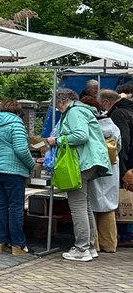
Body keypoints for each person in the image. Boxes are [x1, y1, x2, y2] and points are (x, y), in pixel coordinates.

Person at [46, 87, 110, 262]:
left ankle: (81, 248)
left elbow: (80, 136)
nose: (57, 108)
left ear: (62, 100)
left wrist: (56, 140)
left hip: (81, 162)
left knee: (78, 206)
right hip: (90, 162)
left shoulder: (74, 112)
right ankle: (89, 246)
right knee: (85, 204)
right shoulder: (82, 110)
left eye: (56, 105)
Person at [0, 99, 35, 256]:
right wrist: (31, 163)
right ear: (17, 111)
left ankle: (2, 242)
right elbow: (21, 150)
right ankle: (18, 245)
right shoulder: (16, 125)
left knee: (0, 205)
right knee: (15, 207)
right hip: (13, 170)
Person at [92, 93, 122, 253]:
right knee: (108, 207)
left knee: (91, 206)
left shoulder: (93, 130)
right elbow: (119, 148)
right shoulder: (114, 128)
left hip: (96, 170)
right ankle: (110, 244)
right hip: (112, 169)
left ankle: (94, 244)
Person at [109, 83, 133, 246]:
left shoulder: (118, 114)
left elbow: (122, 142)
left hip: (126, 163)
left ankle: (125, 234)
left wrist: (123, 168)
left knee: (125, 197)